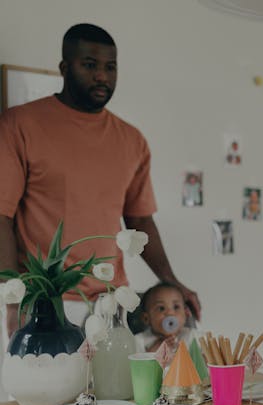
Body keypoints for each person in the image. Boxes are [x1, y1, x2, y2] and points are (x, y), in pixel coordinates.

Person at [0, 23, 201, 336]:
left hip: (111, 304)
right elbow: (2, 218)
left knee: (117, 387)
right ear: (65, 68)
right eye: (90, 65)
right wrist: (11, 301)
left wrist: (171, 281)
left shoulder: (132, 140)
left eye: (110, 67)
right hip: (43, 301)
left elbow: (140, 222)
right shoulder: (19, 124)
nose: (102, 77)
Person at [134, 282, 195, 354]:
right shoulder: (140, 340)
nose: (170, 313)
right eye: (161, 308)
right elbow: (135, 363)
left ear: (186, 314)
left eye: (176, 307)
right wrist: (153, 352)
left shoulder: (192, 336)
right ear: (146, 318)